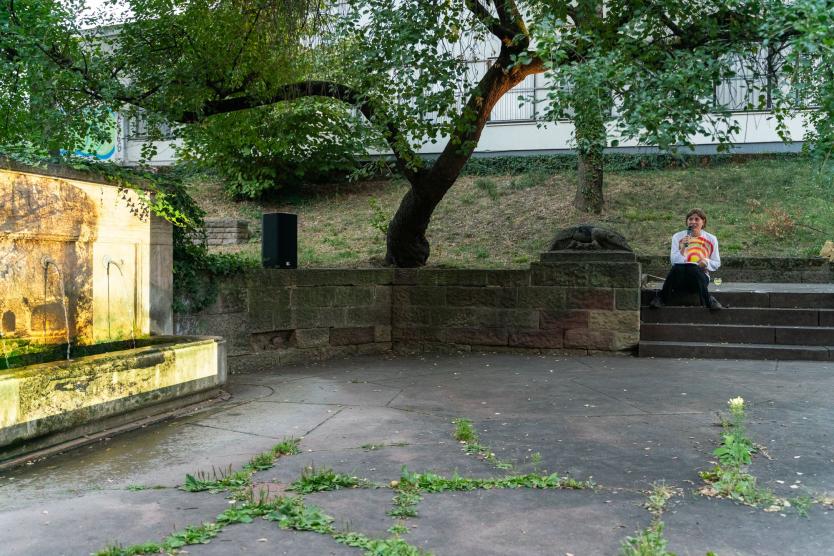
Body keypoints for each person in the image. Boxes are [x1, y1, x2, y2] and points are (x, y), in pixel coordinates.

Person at [650, 208, 723, 310]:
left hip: (698, 280)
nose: (693, 222)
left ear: (703, 222)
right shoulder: (677, 237)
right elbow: (674, 262)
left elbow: (716, 263)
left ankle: (708, 299)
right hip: (679, 280)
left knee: (693, 268)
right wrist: (683, 247)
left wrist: (706, 262)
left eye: (697, 219)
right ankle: (661, 299)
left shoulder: (711, 239)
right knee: (678, 268)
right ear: (687, 222)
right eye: (690, 219)